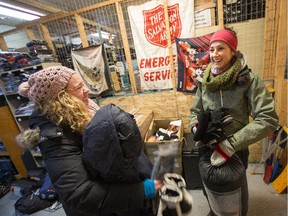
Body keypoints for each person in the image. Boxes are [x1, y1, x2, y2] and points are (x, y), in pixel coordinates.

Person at [16, 66, 163, 216]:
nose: (86, 90)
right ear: (61, 98)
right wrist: (141, 191)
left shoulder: (82, 113)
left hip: (114, 202)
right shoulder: (55, 136)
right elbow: (79, 194)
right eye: (79, 87)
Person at [190, 28, 278, 216]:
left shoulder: (247, 80)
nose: (214, 54)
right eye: (212, 49)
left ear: (232, 51)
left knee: (234, 194)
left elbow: (268, 118)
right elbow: (195, 111)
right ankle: (214, 210)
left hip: (235, 151)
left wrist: (231, 144)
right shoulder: (204, 81)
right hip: (207, 148)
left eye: (220, 48)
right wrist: (196, 126)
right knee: (209, 187)